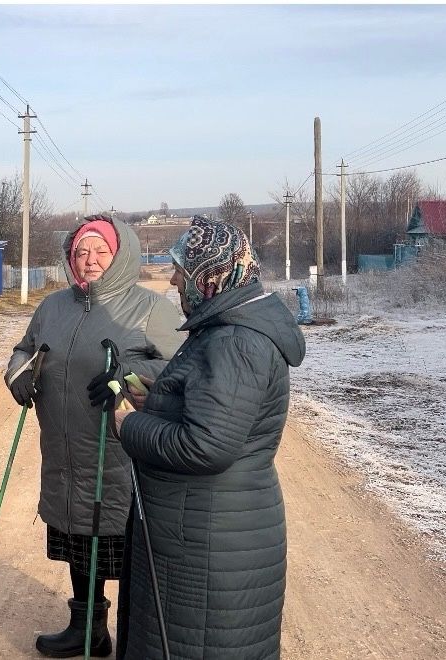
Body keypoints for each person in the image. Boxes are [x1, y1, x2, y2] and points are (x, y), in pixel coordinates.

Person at [113, 217, 306, 659]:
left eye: (182, 269)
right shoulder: (225, 326)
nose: (175, 279)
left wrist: (130, 426)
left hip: (208, 540)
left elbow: (206, 445)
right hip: (202, 528)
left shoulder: (235, 340)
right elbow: (208, 410)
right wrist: (155, 402)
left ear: (210, 274)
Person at [5, 215, 185, 658]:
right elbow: (25, 349)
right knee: (77, 537)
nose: (89, 261)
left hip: (122, 451)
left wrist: (128, 378)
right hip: (65, 450)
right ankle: (88, 627)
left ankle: (137, 636)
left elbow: (182, 369)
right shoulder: (53, 307)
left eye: (100, 251)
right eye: (81, 252)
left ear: (120, 255)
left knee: (125, 547)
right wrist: (20, 376)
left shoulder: (150, 308)